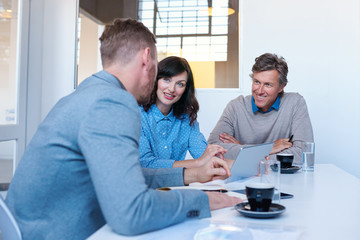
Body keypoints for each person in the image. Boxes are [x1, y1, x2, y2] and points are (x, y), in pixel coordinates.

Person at [5, 18, 241, 240]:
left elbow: (126, 175)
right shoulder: (113, 102)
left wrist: (191, 174)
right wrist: (201, 201)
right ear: (146, 58)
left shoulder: (89, 93)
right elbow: (131, 213)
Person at [208, 53, 314, 164]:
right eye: (257, 82)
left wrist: (244, 150)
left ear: (281, 87)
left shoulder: (295, 103)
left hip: (282, 178)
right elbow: (212, 150)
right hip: (242, 179)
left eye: (268, 84)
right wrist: (268, 148)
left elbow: (304, 155)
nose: (259, 91)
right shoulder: (236, 107)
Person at [139, 56, 226, 168]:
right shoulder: (137, 115)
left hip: (175, 185)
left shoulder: (186, 118)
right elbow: (146, 163)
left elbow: (204, 156)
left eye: (180, 84)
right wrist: (198, 163)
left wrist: (218, 159)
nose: (171, 89)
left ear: (186, 90)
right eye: (166, 79)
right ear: (155, 80)